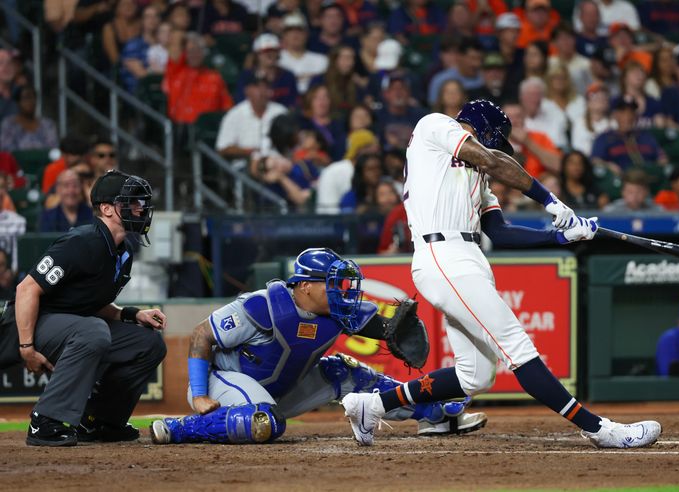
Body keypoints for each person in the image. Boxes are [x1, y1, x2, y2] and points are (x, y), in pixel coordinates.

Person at [341, 99, 661, 448]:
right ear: (485, 130)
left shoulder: (477, 177)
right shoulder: (436, 126)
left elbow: (501, 231)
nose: (496, 148)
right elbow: (493, 159)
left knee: (475, 374)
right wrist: (550, 201)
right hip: (442, 254)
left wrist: (560, 236)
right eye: (496, 139)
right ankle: (601, 430)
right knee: (517, 347)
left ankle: (370, 406)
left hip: (468, 256)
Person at [148, 248, 486, 444]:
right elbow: (200, 335)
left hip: (279, 390)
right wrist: (200, 392)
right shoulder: (262, 306)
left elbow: (387, 329)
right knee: (264, 420)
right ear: (305, 286)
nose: (343, 291)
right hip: (221, 382)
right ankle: (178, 428)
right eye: (333, 284)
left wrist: (395, 331)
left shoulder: (338, 311)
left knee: (345, 371)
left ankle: (434, 414)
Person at [0, 171, 167, 446]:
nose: (140, 208)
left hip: (69, 325)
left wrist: (131, 314)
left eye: (141, 202)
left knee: (148, 343)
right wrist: (26, 347)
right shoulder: (81, 241)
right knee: (93, 330)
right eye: (132, 201)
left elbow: (90, 302)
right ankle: (46, 421)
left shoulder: (123, 252)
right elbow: (26, 289)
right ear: (106, 208)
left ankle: (99, 421)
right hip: (24, 326)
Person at [217, 77, 288, 172]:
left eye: (267, 87)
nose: (263, 92)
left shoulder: (280, 111)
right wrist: (250, 151)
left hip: (279, 162)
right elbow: (223, 148)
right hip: (246, 165)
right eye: (258, 87)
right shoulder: (234, 115)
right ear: (247, 91)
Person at [164, 32, 233, 125]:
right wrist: (186, 40)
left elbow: (227, 106)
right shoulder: (176, 72)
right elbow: (175, 43)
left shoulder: (215, 77)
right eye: (190, 51)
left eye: (198, 50)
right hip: (179, 129)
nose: (194, 54)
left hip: (208, 129)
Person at [591, 95, 667, 174]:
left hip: (648, 179)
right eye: (623, 111)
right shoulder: (604, 138)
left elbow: (662, 159)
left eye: (631, 111)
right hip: (620, 181)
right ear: (614, 114)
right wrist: (608, 166)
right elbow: (595, 161)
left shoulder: (646, 136)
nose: (628, 116)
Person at [235, 33, 298, 108]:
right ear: (257, 55)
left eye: (273, 51)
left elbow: (292, 104)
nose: (270, 54)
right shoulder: (246, 76)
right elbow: (242, 103)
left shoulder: (288, 76)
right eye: (265, 51)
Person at [0, 85, 59, 152]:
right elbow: (6, 151)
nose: (30, 102)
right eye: (26, 98)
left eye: (33, 98)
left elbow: (54, 151)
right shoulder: (9, 124)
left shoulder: (48, 125)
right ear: (18, 102)